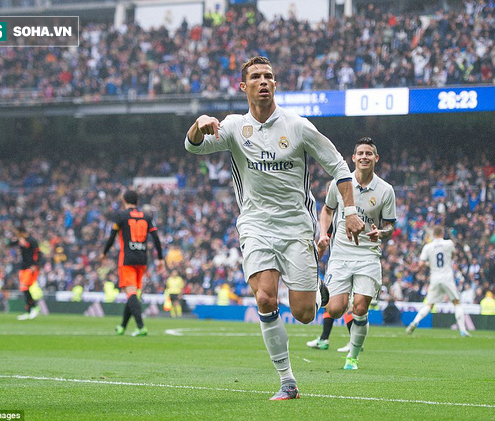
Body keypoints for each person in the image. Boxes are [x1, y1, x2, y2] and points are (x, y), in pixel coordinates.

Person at [185, 56, 364, 400]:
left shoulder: (298, 126)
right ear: (244, 87)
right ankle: (287, 381)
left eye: (269, 76)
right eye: (256, 77)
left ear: (275, 84)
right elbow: (193, 147)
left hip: (296, 226)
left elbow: (340, 167)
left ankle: (314, 283)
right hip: (254, 224)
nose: (263, 81)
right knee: (264, 297)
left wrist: (352, 211)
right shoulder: (235, 127)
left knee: (305, 314)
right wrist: (198, 124)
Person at [313, 137, 396, 370]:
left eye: (369, 153)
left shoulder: (385, 190)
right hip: (340, 254)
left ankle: (353, 357)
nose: (364, 157)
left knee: (360, 308)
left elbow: (390, 225)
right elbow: (327, 210)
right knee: (335, 309)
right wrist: (323, 233)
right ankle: (335, 297)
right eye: (360, 153)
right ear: (353, 157)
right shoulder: (340, 183)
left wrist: (382, 232)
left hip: (368, 255)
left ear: (376, 158)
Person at [101, 190, 165, 337]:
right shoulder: (147, 217)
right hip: (142, 259)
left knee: (130, 293)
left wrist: (104, 253)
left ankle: (141, 326)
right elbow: (156, 238)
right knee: (132, 294)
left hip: (127, 259)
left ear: (124, 200)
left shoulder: (121, 216)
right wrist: (160, 258)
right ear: (137, 201)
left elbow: (112, 237)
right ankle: (122, 326)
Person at [406, 226, 471, 337]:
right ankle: (463, 330)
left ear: (433, 234)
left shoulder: (428, 247)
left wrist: (429, 263)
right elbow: (453, 255)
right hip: (447, 277)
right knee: (456, 302)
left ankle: (414, 322)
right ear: (442, 234)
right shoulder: (449, 243)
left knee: (429, 304)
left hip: (435, 278)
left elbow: (420, 264)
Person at [10, 225, 42, 320]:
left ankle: (34, 308)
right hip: (23, 267)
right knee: (24, 289)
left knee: (24, 287)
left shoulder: (31, 240)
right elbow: (10, 244)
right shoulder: (20, 240)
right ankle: (29, 310)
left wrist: (35, 265)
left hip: (30, 267)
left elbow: (38, 253)